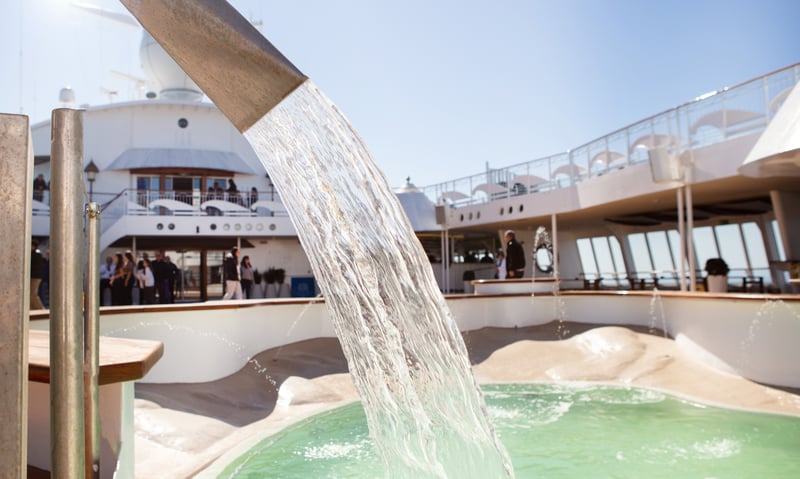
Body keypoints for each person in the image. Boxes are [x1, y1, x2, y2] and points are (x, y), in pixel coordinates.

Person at [30, 241, 45, 310]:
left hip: (35, 277)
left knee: (32, 294)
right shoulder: (35, 255)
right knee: (31, 294)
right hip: (35, 277)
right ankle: (32, 309)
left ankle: (40, 309)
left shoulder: (35, 255)